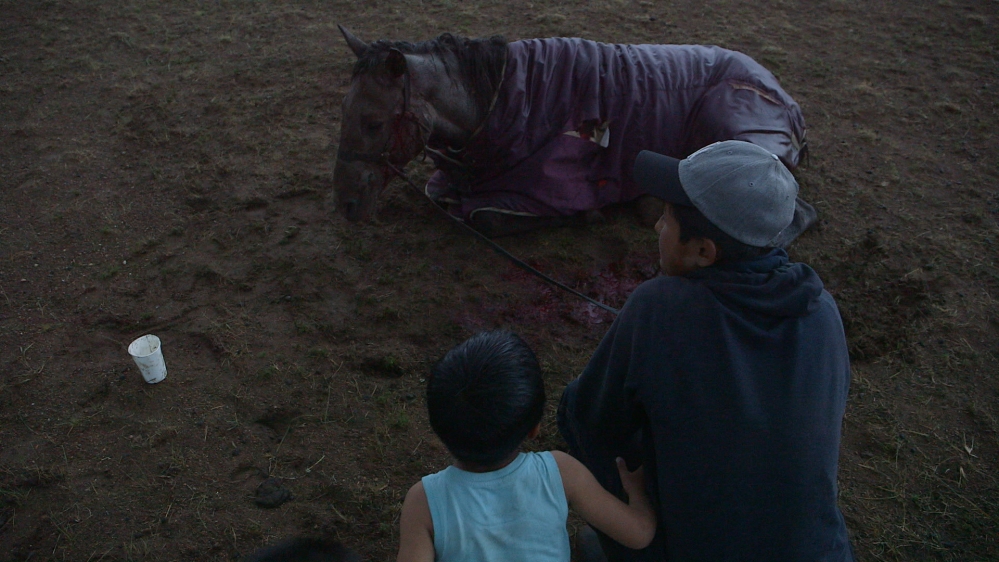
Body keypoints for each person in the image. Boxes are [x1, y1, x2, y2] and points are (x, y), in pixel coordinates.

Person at [557, 140, 854, 561]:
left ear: (703, 251)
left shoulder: (660, 307)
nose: (656, 227)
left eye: (665, 217)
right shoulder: (822, 310)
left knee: (588, 425)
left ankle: (634, 540)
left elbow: (589, 417)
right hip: (819, 552)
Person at [396, 330, 657, 562]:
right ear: (534, 429)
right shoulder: (561, 472)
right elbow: (640, 534)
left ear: (438, 429)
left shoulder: (423, 502)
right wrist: (636, 491)